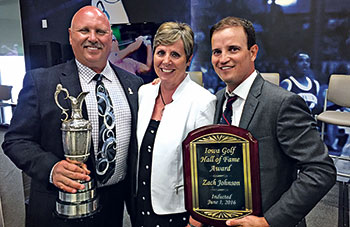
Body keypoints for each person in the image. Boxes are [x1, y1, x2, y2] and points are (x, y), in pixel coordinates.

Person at [2, 6, 143, 227]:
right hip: (57, 210)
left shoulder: (133, 84)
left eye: (101, 32)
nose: (93, 38)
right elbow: (15, 140)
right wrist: (51, 168)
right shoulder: (41, 82)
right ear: (70, 35)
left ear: (111, 37)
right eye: (84, 30)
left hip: (113, 210)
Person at [188, 16, 336, 227]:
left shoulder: (283, 103)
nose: (223, 59)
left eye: (233, 49)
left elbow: (321, 170)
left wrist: (268, 222)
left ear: (253, 52)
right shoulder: (217, 100)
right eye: (216, 52)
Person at [127, 21, 216, 227]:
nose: (166, 61)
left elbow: (206, 169)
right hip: (140, 206)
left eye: (175, 54)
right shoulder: (145, 93)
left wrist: (197, 220)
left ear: (188, 60)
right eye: (160, 53)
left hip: (177, 212)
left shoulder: (203, 102)